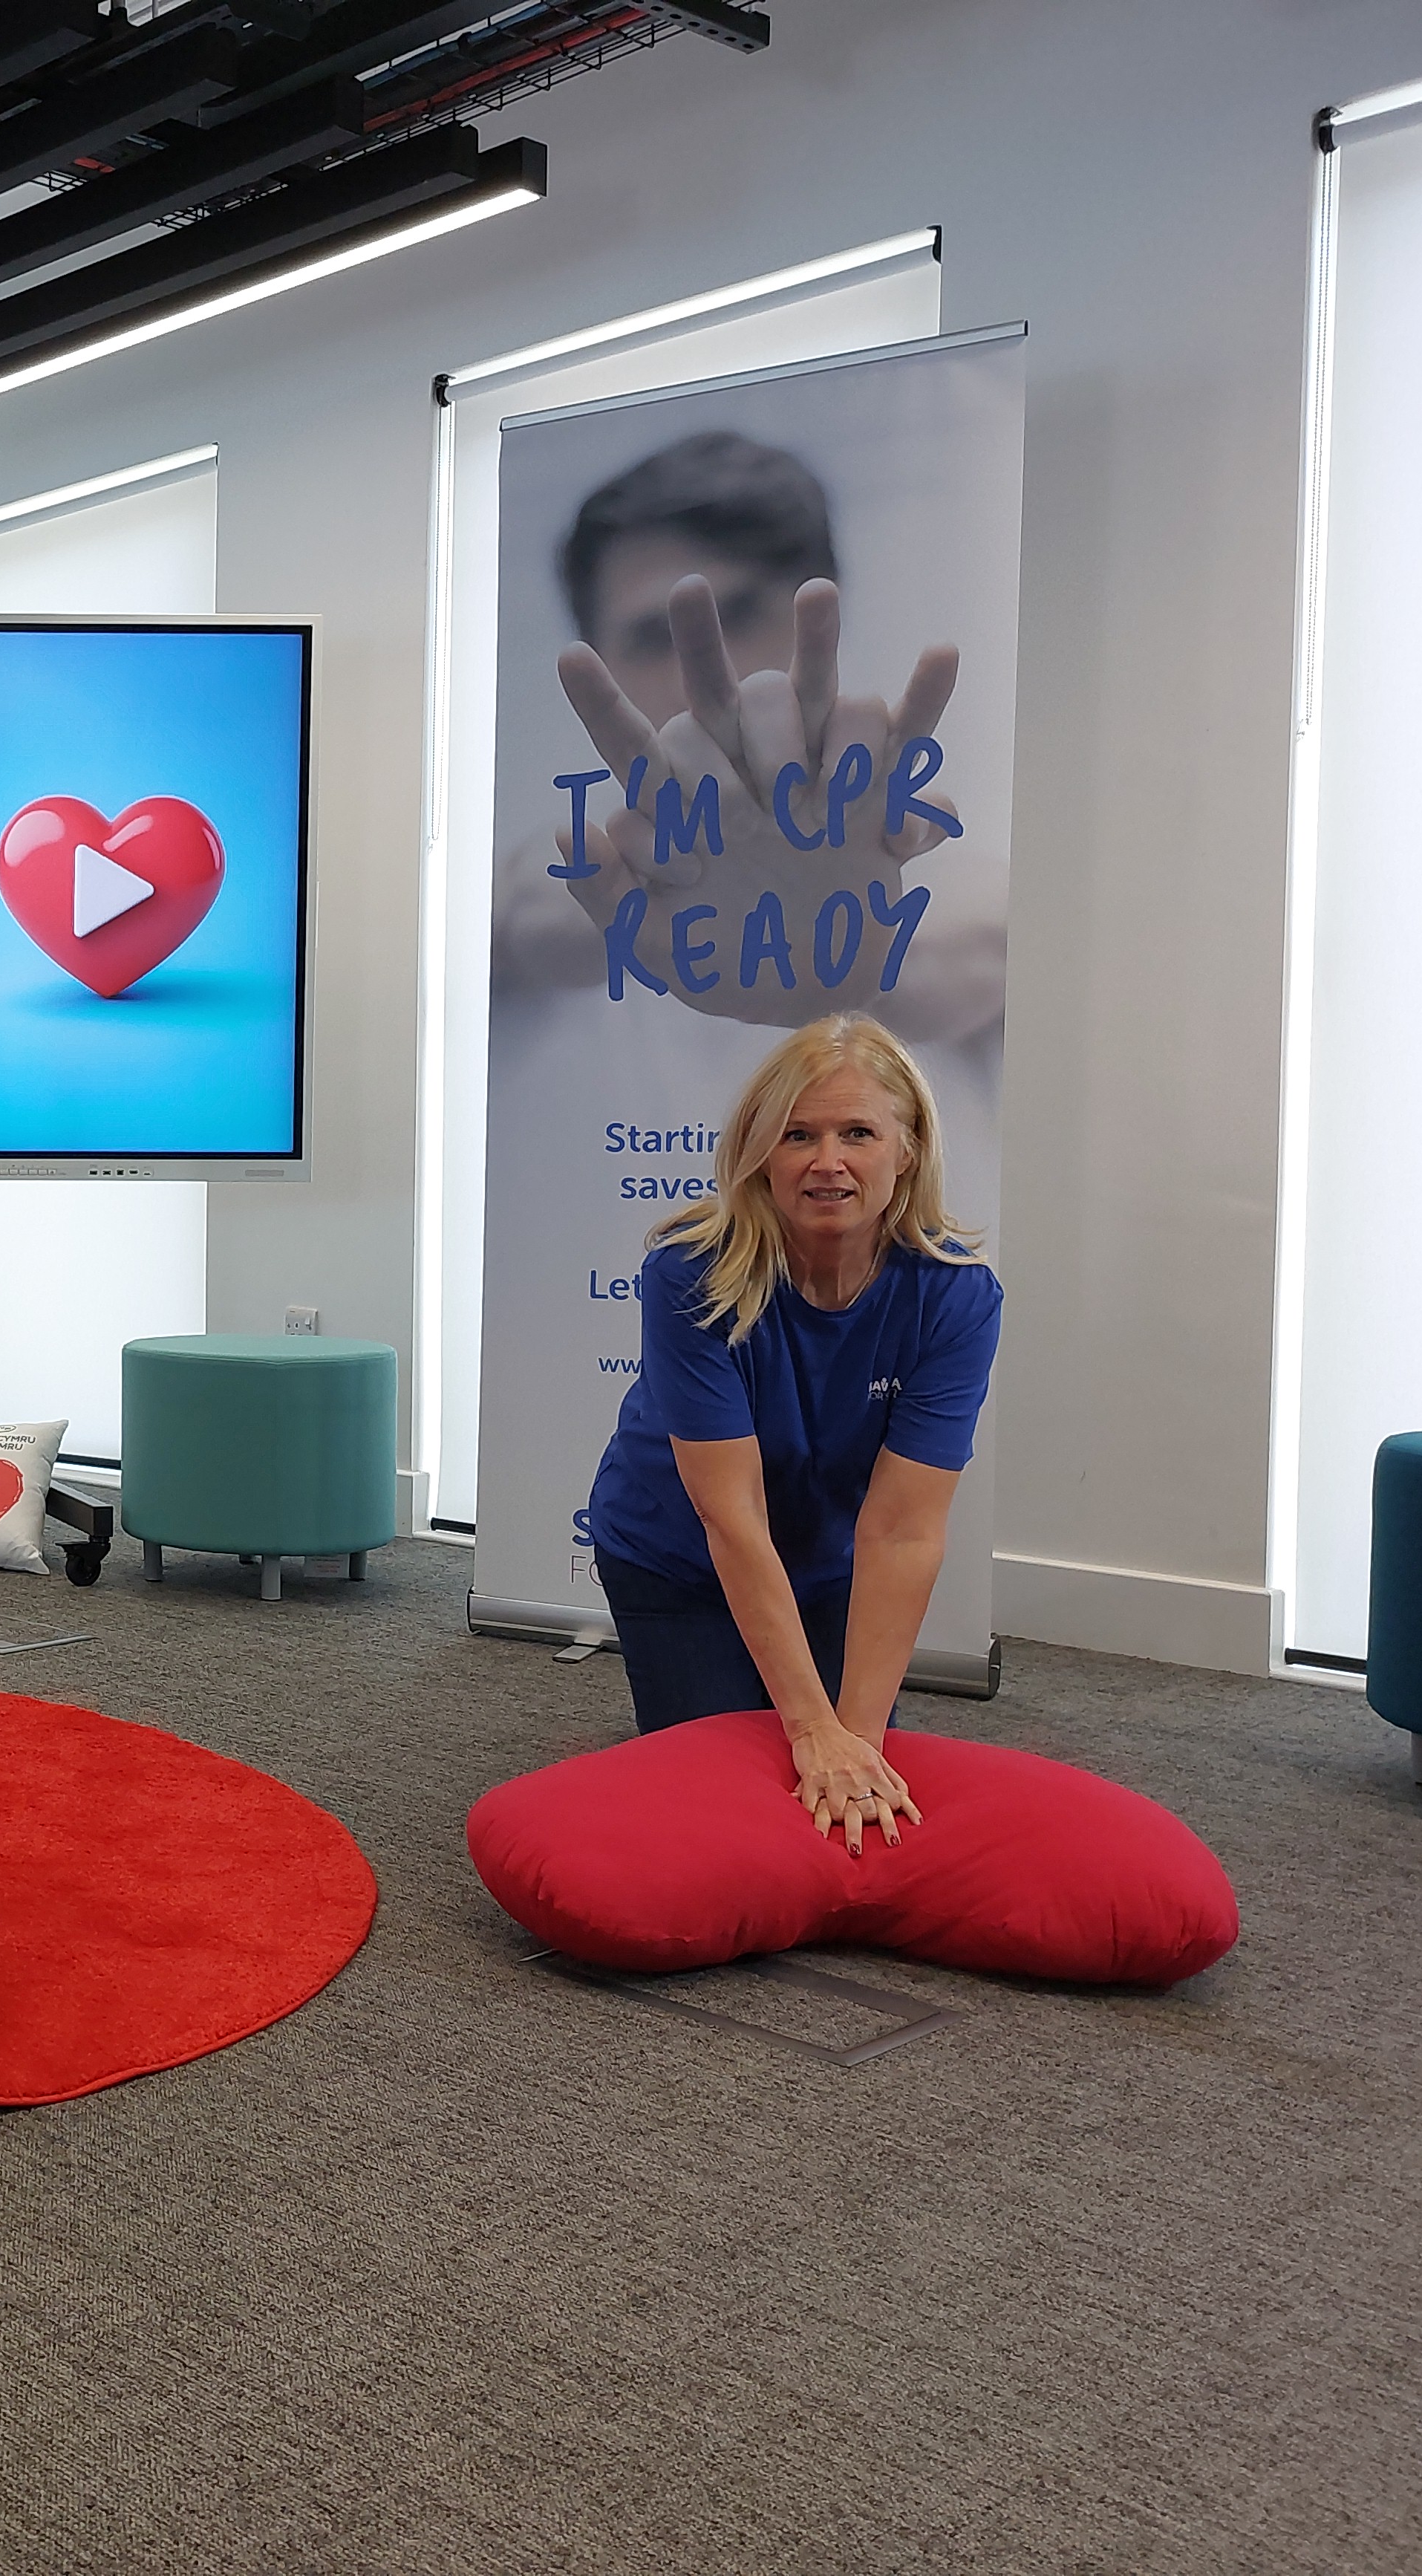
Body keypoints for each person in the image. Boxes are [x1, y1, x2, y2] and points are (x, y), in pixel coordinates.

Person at [583, 1014, 1001, 1850]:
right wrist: (811, 1731)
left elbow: (904, 1529)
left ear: (907, 1149)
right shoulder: (690, 1275)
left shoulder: (954, 1296)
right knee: (733, 1811)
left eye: (858, 1133)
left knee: (861, 1792)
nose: (827, 1161)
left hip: (831, 1561)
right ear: (759, 1153)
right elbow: (729, 1516)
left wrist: (856, 1738)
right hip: (678, 1560)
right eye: (796, 1135)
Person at [494, 431, 1005, 1057]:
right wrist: (634, 909)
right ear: (602, 663)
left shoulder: (943, 872)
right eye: (653, 638)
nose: (710, 674)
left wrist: (838, 951)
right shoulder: (540, 896)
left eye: (741, 615)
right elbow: (514, 920)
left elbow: (979, 945)